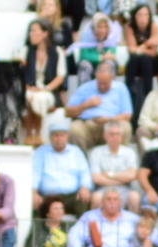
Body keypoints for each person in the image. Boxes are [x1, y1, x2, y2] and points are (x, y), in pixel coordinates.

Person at [66, 60, 133, 151]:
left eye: (105, 84)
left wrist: (108, 119)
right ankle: (83, 160)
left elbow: (127, 115)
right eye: (99, 83)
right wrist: (86, 105)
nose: (102, 86)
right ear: (96, 77)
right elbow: (68, 112)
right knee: (75, 128)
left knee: (125, 127)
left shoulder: (121, 88)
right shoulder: (85, 87)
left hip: (112, 123)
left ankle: (119, 160)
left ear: (112, 78)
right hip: (88, 124)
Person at [33, 119, 93, 217]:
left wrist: (85, 187)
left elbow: (84, 173)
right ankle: (41, 232)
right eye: (55, 135)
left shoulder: (76, 152)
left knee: (84, 199)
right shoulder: (41, 152)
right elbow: (35, 173)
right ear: (50, 137)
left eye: (62, 135)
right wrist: (34, 192)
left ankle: (82, 231)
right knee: (34, 201)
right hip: (48, 196)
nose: (59, 138)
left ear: (67, 137)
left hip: (72, 195)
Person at [21, 19, 65, 147]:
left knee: (40, 97)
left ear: (45, 33)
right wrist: (27, 86)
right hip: (30, 88)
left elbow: (60, 76)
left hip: (48, 90)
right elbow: (20, 72)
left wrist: (46, 88)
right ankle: (30, 134)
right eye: (31, 31)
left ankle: (37, 133)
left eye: (34, 31)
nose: (31, 34)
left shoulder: (57, 52)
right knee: (29, 96)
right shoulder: (26, 50)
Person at [68, 187, 141, 247]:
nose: (112, 202)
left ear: (120, 202)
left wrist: (147, 241)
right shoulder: (89, 217)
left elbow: (146, 233)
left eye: (115, 199)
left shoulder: (133, 219)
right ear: (102, 202)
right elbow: (74, 234)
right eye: (108, 199)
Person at [90, 121, 141, 213]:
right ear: (105, 136)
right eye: (111, 134)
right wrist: (121, 179)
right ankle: (95, 226)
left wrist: (109, 174)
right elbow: (96, 178)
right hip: (103, 189)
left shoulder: (129, 152)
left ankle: (133, 227)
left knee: (134, 197)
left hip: (125, 189)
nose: (115, 137)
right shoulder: (96, 152)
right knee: (96, 197)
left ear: (122, 137)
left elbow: (132, 175)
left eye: (118, 134)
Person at [123, 4, 158, 116]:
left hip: (153, 63)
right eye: (140, 15)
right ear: (134, 16)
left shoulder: (154, 26)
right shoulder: (129, 26)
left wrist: (141, 47)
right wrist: (147, 45)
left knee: (145, 58)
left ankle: (148, 93)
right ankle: (128, 91)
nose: (143, 18)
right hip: (136, 62)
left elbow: (154, 51)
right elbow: (131, 49)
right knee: (135, 58)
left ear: (150, 16)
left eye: (146, 15)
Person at [73, 13, 120, 85]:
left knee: (109, 63)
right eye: (99, 27)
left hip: (104, 65)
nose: (102, 30)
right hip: (90, 66)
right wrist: (101, 57)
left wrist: (102, 58)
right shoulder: (87, 36)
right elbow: (84, 55)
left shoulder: (111, 38)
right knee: (84, 64)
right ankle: (84, 93)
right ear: (94, 27)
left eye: (105, 27)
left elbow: (111, 54)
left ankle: (109, 93)